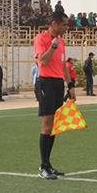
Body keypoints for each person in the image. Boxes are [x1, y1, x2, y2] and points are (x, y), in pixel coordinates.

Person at [34, 11, 73, 180]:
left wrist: (70, 85)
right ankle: (43, 166)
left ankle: (48, 164)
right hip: (46, 83)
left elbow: (63, 65)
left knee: (54, 126)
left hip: (58, 83)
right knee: (47, 125)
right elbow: (42, 61)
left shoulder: (62, 41)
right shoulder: (41, 39)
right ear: (54, 24)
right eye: (64, 24)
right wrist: (53, 46)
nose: (66, 27)